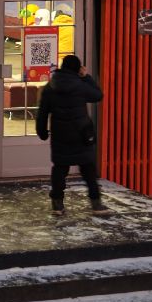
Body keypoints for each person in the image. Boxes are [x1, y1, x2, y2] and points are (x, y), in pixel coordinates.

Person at [36, 53, 108, 216]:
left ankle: (57, 204)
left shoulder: (50, 87)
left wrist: (42, 132)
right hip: (81, 133)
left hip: (60, 134)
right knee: (88, 168)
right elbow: (98, 95)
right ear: (77, 68)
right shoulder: (80, 85)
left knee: (60, 169)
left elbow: (42, 113)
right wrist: (86, 76)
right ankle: (96, 203)